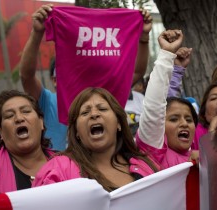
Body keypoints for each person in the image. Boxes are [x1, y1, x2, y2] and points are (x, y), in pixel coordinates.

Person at [20, 4, 152, 151]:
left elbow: (136, 73)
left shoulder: (103, 95)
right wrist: (37, 33)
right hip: (66, 172)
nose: (94, 114)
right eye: (62, 73)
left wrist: (144, 38)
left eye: (100, 109)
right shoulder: (48, 102)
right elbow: (27, 76)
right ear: (53, 79)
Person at [32, 87, 159, 192]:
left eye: (102, 109)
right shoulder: (57, 171)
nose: (94, 114)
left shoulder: (145, 165)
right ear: (76, 132)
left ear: (119, 124)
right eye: (85, 113)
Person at [135, 30, 199, 168]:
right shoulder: (154, 150)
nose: (184, 124)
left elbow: (170, 104)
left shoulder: (200, 156)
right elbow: (156, 106)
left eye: (189, 119)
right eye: (174, 119)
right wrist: (166, 54)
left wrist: (177, 70)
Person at [0, 90, 56, 192]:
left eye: (26, 111)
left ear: (41, 122)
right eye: (10, 115)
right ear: (1, 132)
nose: (19, 118)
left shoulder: (66, 162)